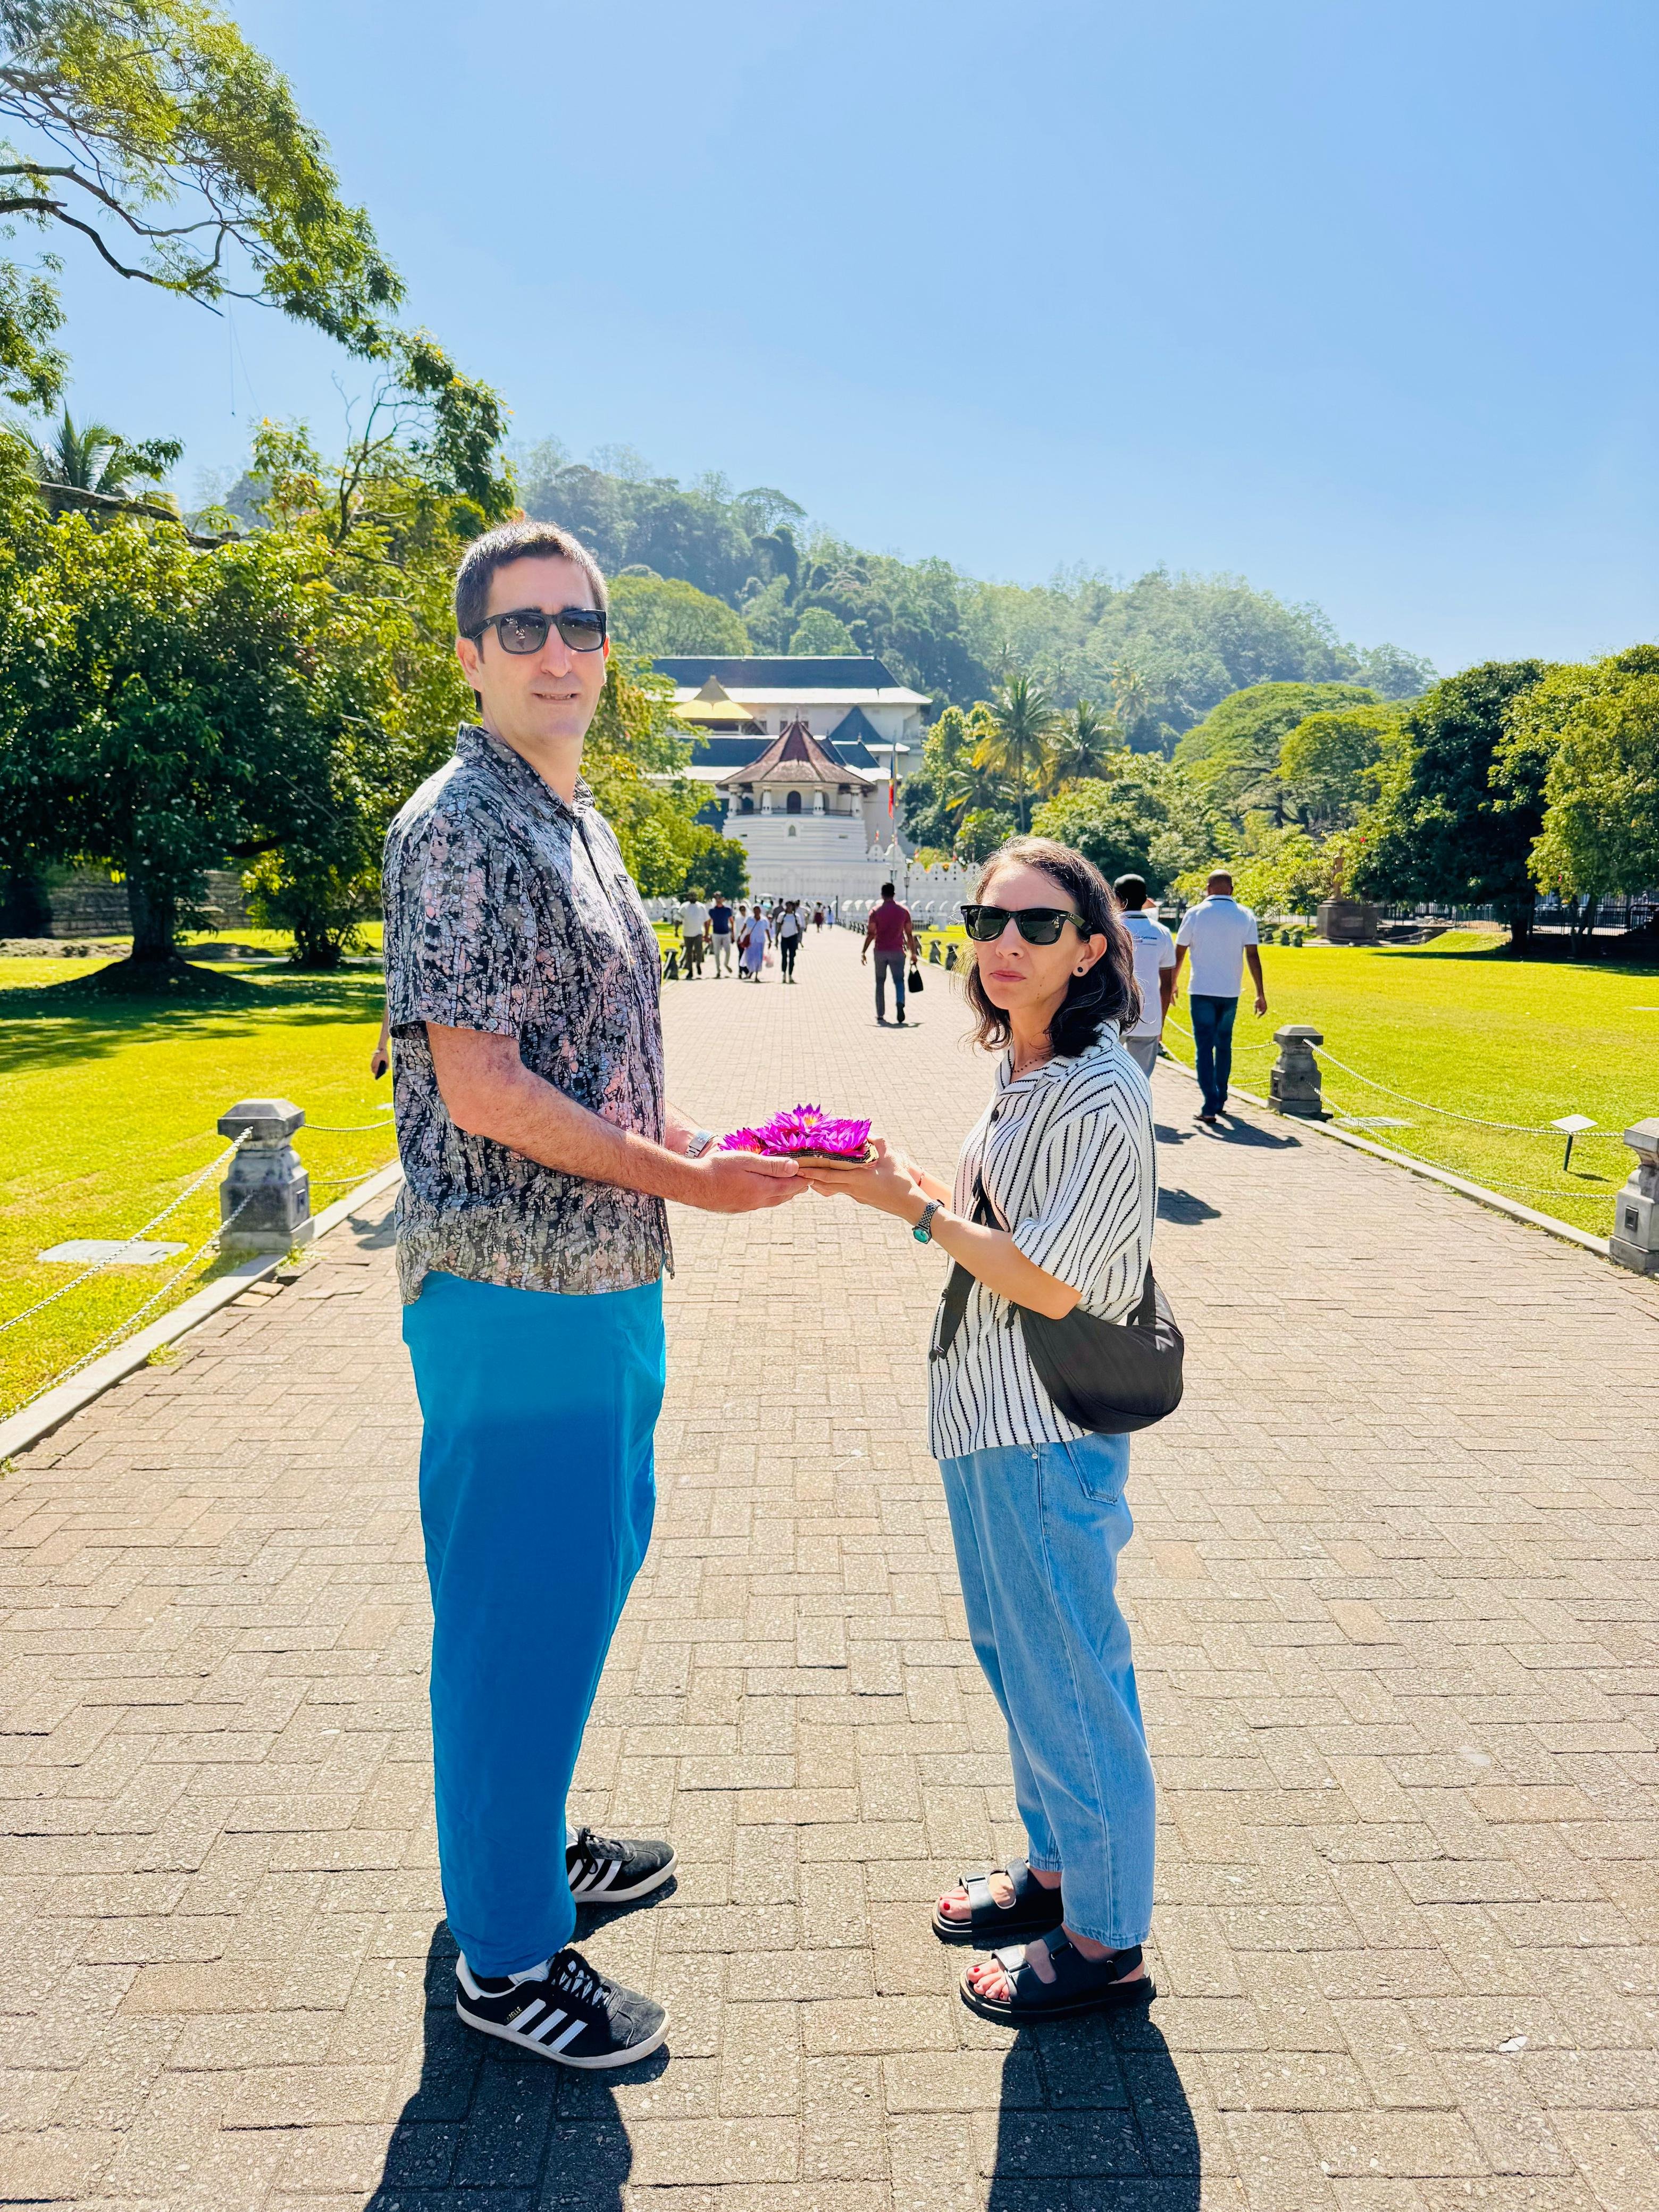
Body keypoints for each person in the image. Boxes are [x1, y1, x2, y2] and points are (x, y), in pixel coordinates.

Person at [383, 519, 801, 2070]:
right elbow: (482, 1089)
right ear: (470, 654)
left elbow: (594, 1071)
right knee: (517, 1608)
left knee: (580, 1578)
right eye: (522, 626)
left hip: (608, 1271)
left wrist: (711, 1147)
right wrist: (681, 1177)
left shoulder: (576, 819)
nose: (558, 648)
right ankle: (505, 1956)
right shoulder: (461, 828)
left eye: (581, 621)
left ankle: (525, 1844)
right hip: (511, 1280)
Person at [806, 836, 1158, 2026]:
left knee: (1072, 1673)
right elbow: (997, 1225)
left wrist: (908, 1210)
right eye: (989, 917)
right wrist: (917, 1187)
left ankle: (1106, 1939)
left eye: (1041, 925)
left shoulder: (1103, 1091)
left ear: (1094, 949)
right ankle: (1061, 1870)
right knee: (1022, 1661)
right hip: (987, 1413)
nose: (1005, 941)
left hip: (1045, 1427)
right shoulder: (1028, 1068)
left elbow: (1053, 1281)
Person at [1172, 869, 1267, 1125]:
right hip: (1230, 992)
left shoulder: (1195, 914)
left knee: (1204, 1048)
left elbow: (1179, 952)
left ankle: (1210, 1104)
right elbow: (1253, 956)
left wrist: (1172, 983)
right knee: (1224, 1046)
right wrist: (1260, 992)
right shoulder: (1245, 915)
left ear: (1208, 888)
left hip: (1201, 989)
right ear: (1232, 890)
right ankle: (1220, 1097)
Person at [1113, 875, 1176, 1079]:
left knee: (1107, 1077)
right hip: (1150, 1016)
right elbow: (1167, 985)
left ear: (1117, 898)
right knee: (1140, 1080)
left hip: (1112, 1014)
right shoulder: (1162, 933)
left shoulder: (1108, 930)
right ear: (1145, 899)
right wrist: (1162, 1022)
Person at [864, 881, 918, 1026]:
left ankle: (880, 1014)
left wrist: (863, 951)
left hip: (880, 951)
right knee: (899, 981)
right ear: (894, 894)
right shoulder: (903, 911)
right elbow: (909, 934)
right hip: (897, 952)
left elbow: (871, 933)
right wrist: (913, 953)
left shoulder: (875, 912)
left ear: (882, 895)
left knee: (880, 982)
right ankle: (900, 1002)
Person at [680, 887, 709, 978]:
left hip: (698, 933)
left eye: (694, 896)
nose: (692, 897)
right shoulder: (684, 907)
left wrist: (707, 934)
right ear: (689, 897)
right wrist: (676, 931)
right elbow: (678, 919)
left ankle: (698, 964)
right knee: (689, 953)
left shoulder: (701, 907)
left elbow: (706, 922)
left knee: (699, 951)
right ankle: (690, 971)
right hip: (687, 933)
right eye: (691, 896)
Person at [740, 903, 771, 980]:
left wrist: (770, 941)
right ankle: (751, 971)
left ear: (760, 910)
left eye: (758, 909)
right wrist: (740, 938)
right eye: (755, 909)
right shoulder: (749, 919)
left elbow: (767, 931)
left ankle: (756, 974)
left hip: (760, 942)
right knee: (750, 958)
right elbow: (744, 929)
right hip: (751, 942)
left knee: (758, 958)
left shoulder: (764, 920)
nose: (756, 911)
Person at [776, 898, 803, 982]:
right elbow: (779, 927)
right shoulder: (782, 916)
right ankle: (784, 974)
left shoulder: (796, 916)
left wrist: (799, 939)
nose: (788, 907)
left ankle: (790, 975)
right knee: (784, 957)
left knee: (792, 957)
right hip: (784, 938)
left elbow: (799, 928)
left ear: (793, 907)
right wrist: (777, 937)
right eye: (787, 906)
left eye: (790, 906)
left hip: (793, 938)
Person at [708, 892, 734, 976]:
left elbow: (732, 922)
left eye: (719, 898)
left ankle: (726, 964)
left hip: (726, 933)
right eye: (716, 898)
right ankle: (718, 970)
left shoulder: (727, 910)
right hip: (716, 933)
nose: (718, 900)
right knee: (717, 953)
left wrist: (733, 933)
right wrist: (707, 934)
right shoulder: (712, 911)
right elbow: (709, 923)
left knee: (728, 951)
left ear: (722, 899)